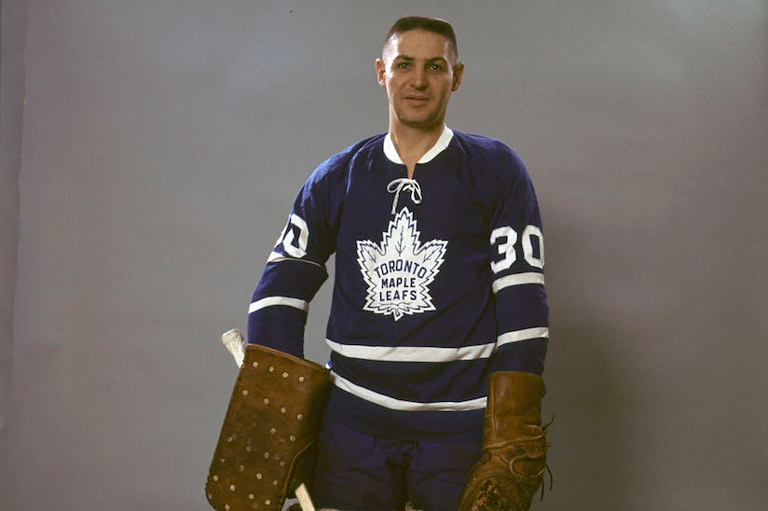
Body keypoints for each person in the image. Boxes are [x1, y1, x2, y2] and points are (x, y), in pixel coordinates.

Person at [246, 16, 550, 511]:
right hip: (352, 428)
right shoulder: (337, 176)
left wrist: (512, 422)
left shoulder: (496, 169)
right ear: (381, 73)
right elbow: (278, 292)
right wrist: (279, 400)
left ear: (458, 75)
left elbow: (523, 302)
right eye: (404, 64)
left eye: (436, 66)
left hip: (459, 427)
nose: (419, 80)